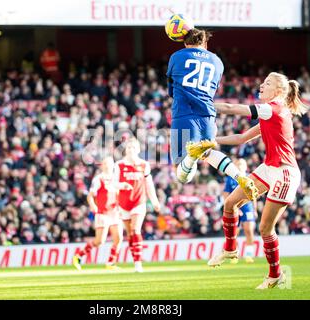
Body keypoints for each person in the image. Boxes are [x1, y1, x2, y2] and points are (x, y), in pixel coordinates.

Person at [204, 72, 306, 289]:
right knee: (230, 203)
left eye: (267, 83)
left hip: (284, 172)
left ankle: (275, 275)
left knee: (265, 228)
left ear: (278, 91)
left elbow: (233, 109)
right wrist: (210, 142)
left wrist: (206, 104)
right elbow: (241, 138)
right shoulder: (271, 113)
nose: (261, 85)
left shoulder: (273, 108)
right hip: (269, 168)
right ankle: (230, 249)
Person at [166, 28, 258, 201]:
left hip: (184, 114)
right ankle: (239, 176)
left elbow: (171, 90)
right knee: (207, 153)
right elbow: (213, 89)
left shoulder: (177, 56)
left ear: (185, 43)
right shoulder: (217, 62)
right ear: (205, 43)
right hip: (208, 116)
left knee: (182, 174)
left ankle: (192, 157)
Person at [73, 157, 132, 270]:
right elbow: (90, 196)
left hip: (115, 212)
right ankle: (78, 256)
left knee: (118, 238)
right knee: (99, 241)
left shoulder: (116, 179)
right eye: (105, 164)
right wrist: (93, 206)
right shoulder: (98, 179)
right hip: (103, 213)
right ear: (102, 166)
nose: (107, 166)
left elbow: (121, 188)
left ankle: (110, 263)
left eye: (109, 164)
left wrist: (126, 186)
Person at [115, 138, 161, 273]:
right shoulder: (119, 165)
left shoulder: (144, 165)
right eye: (128, 148)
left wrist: (154, 200)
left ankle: (138, 263)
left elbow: (149, 184)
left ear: (138, 150)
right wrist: (122, 185)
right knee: (130, 234)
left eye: (133, 148)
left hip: (139, 202)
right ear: (125, 150)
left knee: (136, 229)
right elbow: (113, 183)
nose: (131, 150)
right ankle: (135, 258)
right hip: (124, 203)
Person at [223, 159, 256, 264]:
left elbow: (254, 194)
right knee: (234, 232)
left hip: (247, 207)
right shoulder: (231, 178)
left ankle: (249, 255)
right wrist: (231, 208)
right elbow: (225, 194)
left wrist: (254, 209)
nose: (240, 166)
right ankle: (234, 254)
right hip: (235, 207)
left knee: (249, 229)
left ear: (246, 166)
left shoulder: (250, 178)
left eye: (242, 164)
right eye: (238, 164)